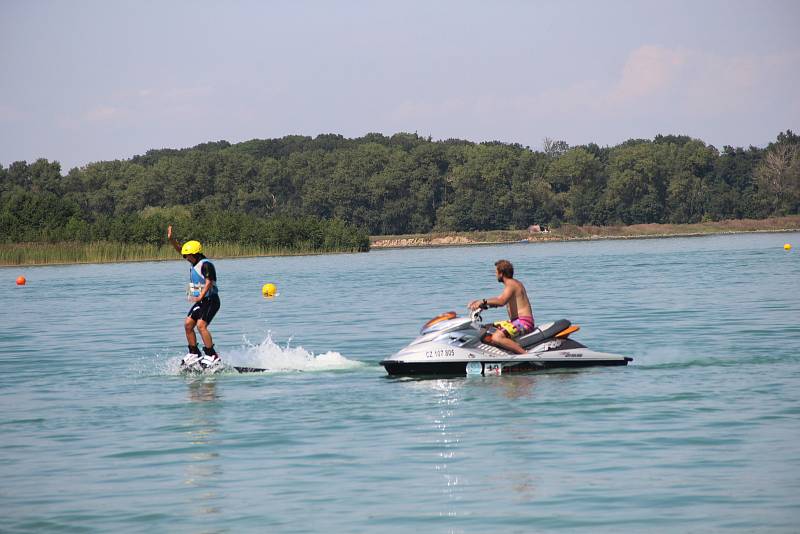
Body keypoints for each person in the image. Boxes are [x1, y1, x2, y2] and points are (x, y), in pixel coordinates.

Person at [167, 225, 222, 370]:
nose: (185, 258)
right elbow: (180, 250)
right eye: (185, 256)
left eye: (187, 256)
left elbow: (209, 283)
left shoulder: (206, 265)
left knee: (201, 325)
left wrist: (199, 297)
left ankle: (212, 355)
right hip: (202, 300)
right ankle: (194, 353)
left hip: (211, 300)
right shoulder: (194, 261)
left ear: (195, 254)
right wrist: (171, 239)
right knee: (188, 324)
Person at [468, 259, 534, 355]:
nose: (495, 275)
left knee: (496, 337)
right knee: (485, 328)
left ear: (501, 274)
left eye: (496, 272)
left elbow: (501, 301)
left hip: (523, 322)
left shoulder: (511, 285)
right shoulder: (511, 284)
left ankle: (525, 355)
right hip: (515, 321)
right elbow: (498, 301)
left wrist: (483, 301)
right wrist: (482, 305)